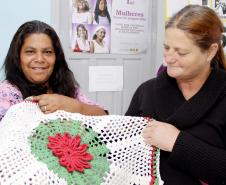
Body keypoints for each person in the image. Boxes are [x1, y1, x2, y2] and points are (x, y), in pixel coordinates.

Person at [126, 5, 226, 185]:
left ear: (210, 52)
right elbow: (122, 153)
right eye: (166, 48)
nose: (169, 58)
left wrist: (176, 142)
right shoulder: (146, 92)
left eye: (181, 52)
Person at [0, 20, 107, 121]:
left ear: (57, 57)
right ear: (17, 57)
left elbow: (104, 116)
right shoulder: (7, 93)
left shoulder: (66, 87)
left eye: (47, 52)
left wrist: (74, 106)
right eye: (30, 52)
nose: (40, 59)